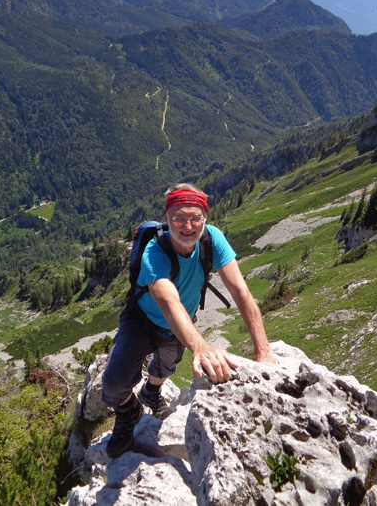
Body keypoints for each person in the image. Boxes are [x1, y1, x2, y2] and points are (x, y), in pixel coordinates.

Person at [102, 183, 275, 458]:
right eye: (178, 218)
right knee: (112, 386)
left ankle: (151, 393)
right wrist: (200, 347)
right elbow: (169, 303)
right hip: (141, 321)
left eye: (195, 218)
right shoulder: (154, 251)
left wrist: (263, 350)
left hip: (179, 326)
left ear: (204, 219)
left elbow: (241, 292)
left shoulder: (212, 239)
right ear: (166, 218)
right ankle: (128, 411)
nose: (187, 226)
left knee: (167, 366)